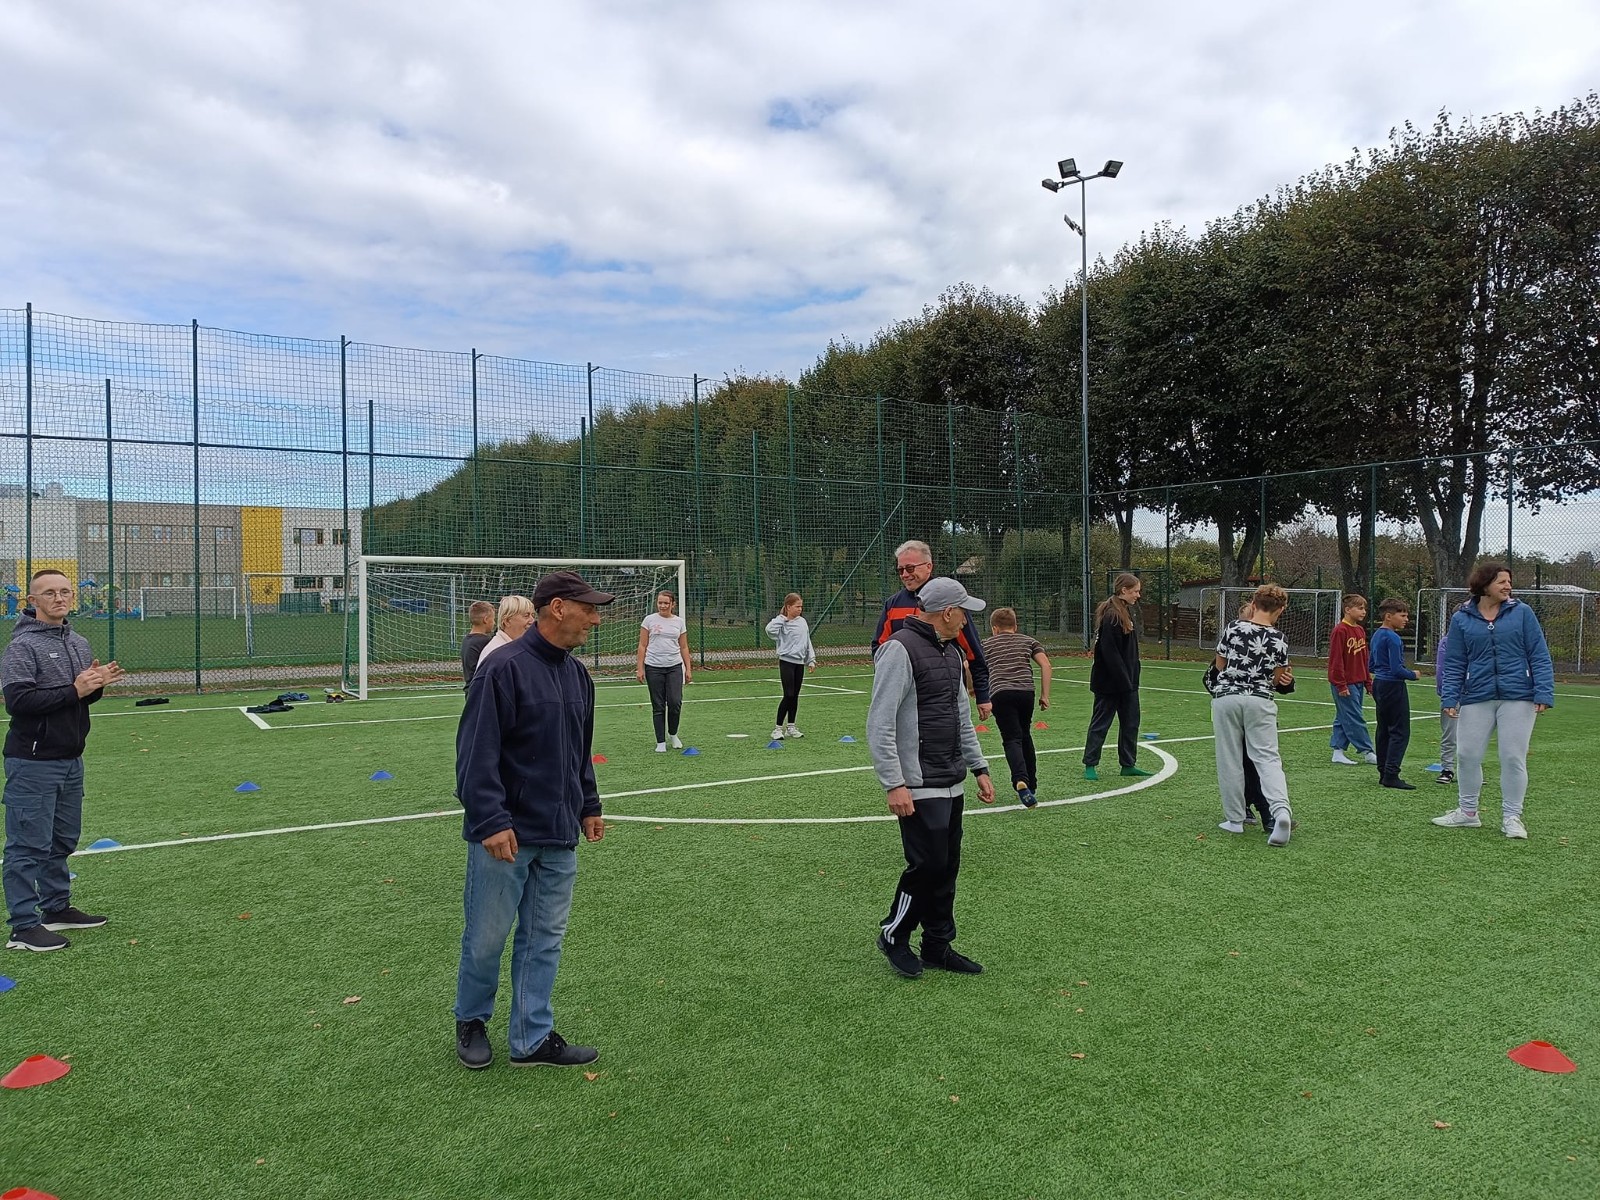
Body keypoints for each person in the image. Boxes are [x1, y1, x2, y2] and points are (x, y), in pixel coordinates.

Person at [453, 569, 615, 1070]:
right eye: (588, 609)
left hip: (559, 834)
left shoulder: (578, 675)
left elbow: (579, 752)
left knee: (544, 940)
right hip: (506, 836)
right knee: (487, 939)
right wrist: (491, 820)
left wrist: (589, 805)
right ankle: (471, 1020)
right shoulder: (501, 669)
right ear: (558, 608)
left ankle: (531, 1037)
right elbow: (476, 755)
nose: (595, 619)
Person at [868, 576, 996, 978]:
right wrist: (894, 783)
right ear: (948, 612)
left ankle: (938, 945)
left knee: (946, 867)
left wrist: (979, 767)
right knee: (927, 866)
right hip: (917, 782)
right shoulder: (898, 650)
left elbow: (961, 717)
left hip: (951, 778)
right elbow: (880, 723)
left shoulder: (953, 653)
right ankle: (894, 935)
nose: (967, 621)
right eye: (964, 613)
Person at [4, 569, 125, 952]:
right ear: (32, 601)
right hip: (33, 762)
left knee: (62, 840)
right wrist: (74, 688)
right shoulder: (22, 647)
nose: (59, 598)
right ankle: (23, 927)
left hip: (71, 759)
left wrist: (94, 685)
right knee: (27, 847)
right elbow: (19, 702)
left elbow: (79, 698)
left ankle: (56, 908)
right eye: (49, 593)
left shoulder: (78, 642)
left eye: (65, 591)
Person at [1432, 563, 1555, 839]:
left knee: (1512, 757)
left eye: (1509, 582)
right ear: (1484, 585)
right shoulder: (1462, 618)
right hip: (1477, 695)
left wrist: (1543, 692)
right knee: (1467, 755)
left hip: (1518, 697)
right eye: (1502, 582)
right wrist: (1450, 696)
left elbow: (1539, 654)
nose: (1508, 586)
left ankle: (1512, 817)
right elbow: (1455, 662)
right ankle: (1468, 813)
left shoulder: (1522, 613)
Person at [1210, 583, 1294, 847]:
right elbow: (1278, 678)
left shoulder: (1233, 627)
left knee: (1229, 758)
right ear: (1281, 609)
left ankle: (1235, 820)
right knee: (1268, 759)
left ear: (1254, 604)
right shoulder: (1279, 638)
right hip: (1260, 700)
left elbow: (1220, 664)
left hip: (1227, 697)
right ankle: (1281, 811)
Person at [873, 540, 992, 719]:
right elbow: (879, 648)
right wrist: (891, 680)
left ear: (929, 566)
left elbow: (974, 651)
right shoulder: (893, 604)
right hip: (907, 697)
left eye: (910, 568)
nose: (905, 574)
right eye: (900, 570)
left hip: (943, 693)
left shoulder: (949, 600)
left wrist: (983, 694)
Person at [980, 606, 1052, 807]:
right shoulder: (1029, 641)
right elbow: (1046, 665)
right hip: (1026, 693)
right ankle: (1032, 784)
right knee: (1025, 735)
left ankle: (1020, 779)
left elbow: (970, 665)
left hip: (1000, 693)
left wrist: (973, 689)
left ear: (994, 628)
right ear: (1015, 626)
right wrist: (1045, 695)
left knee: (1011, 738)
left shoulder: (986, 644)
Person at [1083, 573, 1152, 781]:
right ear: (1124, 590)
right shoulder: (1112, 615)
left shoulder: (1125, 612)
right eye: (1135, 591)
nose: (1138, 595)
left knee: (1131, 723)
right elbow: (1109, 653)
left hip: (1128, 682)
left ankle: (1128, 764)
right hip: (1110, 684)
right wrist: (1124, 680)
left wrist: (1132, 677)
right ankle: (1090, 764)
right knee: (1101, 723)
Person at [1370, 598, 1421, 790]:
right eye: (1403, 615)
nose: (1406, 619)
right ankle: (1391, 774)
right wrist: (1413, 674)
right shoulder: (1393, 638)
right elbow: (1396, 669)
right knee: (1399, 731)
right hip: (1392, 686)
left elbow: (1371, 665)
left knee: (1383, 729)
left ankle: (1383, 771)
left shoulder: (1376, 635)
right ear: (1388, 616)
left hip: (1379, 684)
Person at [636, 590, 692, 752]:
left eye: (666, 603)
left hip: (674, 667)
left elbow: (684, 646)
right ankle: (660, 741)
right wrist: (640, 668)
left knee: (675, 702)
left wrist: (688, 668)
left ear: (672, 604)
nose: (662, 606)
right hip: (653, 667)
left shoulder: (679, 622)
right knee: (658, 705)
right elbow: (642, 645)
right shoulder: (649, 620)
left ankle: (673, 734)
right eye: (660, 602)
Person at [1327, 593, 1378, 766]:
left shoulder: (1360, 630)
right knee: (1354, 716)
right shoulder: (1340, 630)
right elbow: (1336, 660)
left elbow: (1364, 658)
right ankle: (1367, 751)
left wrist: (1368, 682)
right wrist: (1341, 684)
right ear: (1348, 610)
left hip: (1358, 681)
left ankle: (1338, 751)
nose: (1364, 612)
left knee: (1343, 716)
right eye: (1360, 608)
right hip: (1344, 683)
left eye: (1365, 608)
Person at [765, 593, 816, 740]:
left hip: (799, 663)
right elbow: (769, 630)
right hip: (786, 662)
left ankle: (791, 727)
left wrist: (811, 659)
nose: (800, 609)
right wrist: (782, 618)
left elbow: (807, 641)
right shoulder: (781, 622)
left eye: (801, 606)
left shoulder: (803, 622)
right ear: (788, 607)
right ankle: (777, 729)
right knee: (788, 694)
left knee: (795, 696)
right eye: (797, 606)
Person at [474, 595, 534, 669]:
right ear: (507, 621)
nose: (532, 621)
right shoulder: (497, 654)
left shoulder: (515, 647)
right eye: (526, 616)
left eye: (533, 615)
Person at [1434, 631, 1456, 785]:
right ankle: (1447, 768)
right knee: (1450, 733)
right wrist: (1445, 692)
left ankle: (1472, 768)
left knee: (1475, 734)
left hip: (1474, 694)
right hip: (1453, 694)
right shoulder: (1448, 641)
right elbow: (1441, 668)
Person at [460, 600, 497, 688]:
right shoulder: (485, 642)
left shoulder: (466, 640)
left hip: (470, 689)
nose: (494, 623)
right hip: (480, 689)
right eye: (493, 619)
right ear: (486, 620)